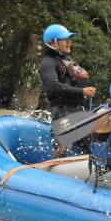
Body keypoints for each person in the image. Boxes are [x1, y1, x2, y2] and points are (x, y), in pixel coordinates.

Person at [39, 24, 97, 158]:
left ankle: (91, 170)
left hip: (78, 110)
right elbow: (54, 86)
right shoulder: (47, 63)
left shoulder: (66, 60)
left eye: (69, 38)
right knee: (64, 147)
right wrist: (81, 91)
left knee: (89, 147)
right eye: (65, 39)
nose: (69, 41)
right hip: (61, 110)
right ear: (52, 42)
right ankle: (51, 170)